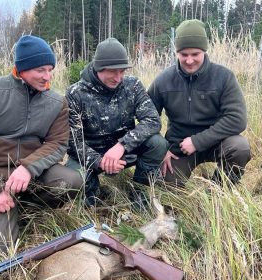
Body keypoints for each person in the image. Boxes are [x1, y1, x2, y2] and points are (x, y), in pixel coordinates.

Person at [0, 35, 83, 253]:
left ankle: (26, 206)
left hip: (33, 176)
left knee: (72, 181)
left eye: (50, 69)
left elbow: (58, 143)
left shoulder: (57, 103)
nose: (47, 77)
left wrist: (28, 168)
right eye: (40, 70)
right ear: (21, 68)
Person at [148, 19, 251, 187]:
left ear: (204, 51)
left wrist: (197, 141)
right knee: (166, 190)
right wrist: (161, 149)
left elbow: (237, 119)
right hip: (178, 147)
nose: (189, 61)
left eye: (195, 54)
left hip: (216, 141)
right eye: (184, 55)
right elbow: (147, 118)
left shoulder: (224, 77)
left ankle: (218, 191)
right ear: (177, 53)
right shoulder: (163, 81)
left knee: (240, 147)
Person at [66, 37, 167, 207]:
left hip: (124, 151)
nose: (118, 77)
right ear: (98, 68)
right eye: (113, 71)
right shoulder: (75, 93)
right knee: (74, 180)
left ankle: (139, 191)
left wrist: (121, 146)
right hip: (90, 155)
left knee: (158, 143)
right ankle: (92, 195)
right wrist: (100, 161)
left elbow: (153, 121)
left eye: (122, 71)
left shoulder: (132, 85)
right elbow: (72, 142)